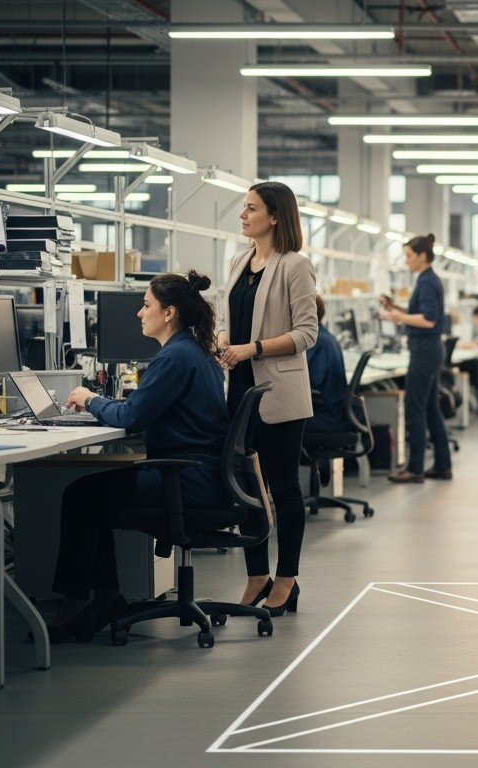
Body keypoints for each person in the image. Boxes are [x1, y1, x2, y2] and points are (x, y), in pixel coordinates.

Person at [46, 272, 231, 642]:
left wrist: (90, 399)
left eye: (147, 305)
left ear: (169, 312)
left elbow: (132, 416)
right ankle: (105, 599)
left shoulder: (174, 357)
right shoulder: (194, 351)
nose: (139, 313)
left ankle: (78, 607)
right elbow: (142, 410)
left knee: (81, 496)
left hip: (185, 479)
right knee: (93, 495)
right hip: (201, 475)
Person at [217, 180, 318, 618]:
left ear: (275, 217)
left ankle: (287, 579)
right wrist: (223, 339)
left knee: (282, 486)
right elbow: (227, 318)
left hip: (278, 391)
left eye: (251, 208)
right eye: (243, 207)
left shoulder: (295, 265)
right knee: (245, 487)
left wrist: (253, 348)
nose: (243, 215)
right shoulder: (239, 261)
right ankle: (257, 575)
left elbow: (306, 333)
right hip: (239, 388)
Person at [381, 234, 453, 483]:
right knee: (431, 408)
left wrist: (399, 318)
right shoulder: (427, 280)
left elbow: (429, 320)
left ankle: (415, 468)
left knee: (415, 408)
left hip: (425, 349)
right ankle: (442, 465)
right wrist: (396, 309)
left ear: (422, 256)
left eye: (409, 256)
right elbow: (420, 314)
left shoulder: (427, 282)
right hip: (430, 349)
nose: (406, 261)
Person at [305, 295, 350, 436]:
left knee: (274, 424)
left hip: (327, 418)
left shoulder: (316, 342)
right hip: (333, 414)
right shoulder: (325, 336)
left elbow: (312, 386)